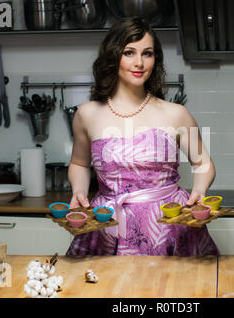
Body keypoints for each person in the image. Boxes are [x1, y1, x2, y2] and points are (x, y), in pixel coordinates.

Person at [66, 17, 219, 256]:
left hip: (167, 225)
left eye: (147, 54)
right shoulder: (87, 114)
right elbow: (79, 163)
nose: (139, 63)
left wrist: (200, 189)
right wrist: (79, 190)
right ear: (113, 56)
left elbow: (203, 163)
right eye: (129, 52)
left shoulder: (177, 114)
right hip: (108, 224)